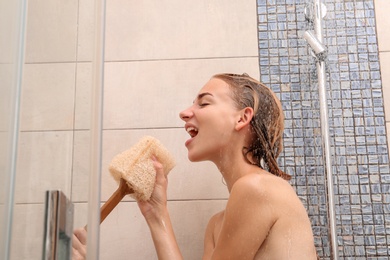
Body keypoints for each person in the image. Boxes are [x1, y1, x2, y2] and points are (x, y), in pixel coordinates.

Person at [72, 73, 318, 259]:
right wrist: (156, 214)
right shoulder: (217, 226)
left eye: (204, 103)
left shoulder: (256, 188)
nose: (184, 113)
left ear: (242, 118)